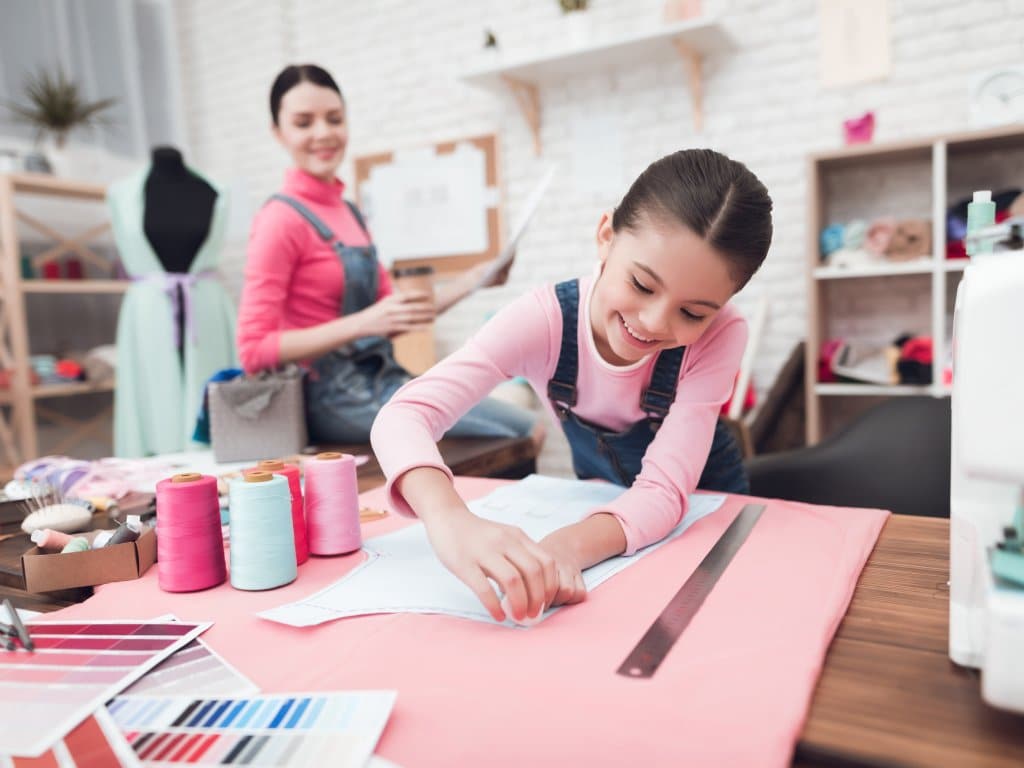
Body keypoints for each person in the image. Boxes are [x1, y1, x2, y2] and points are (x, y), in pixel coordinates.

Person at [370, 149, 773, 623]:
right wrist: (450, 519)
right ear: (606, 236)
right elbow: (404, 415)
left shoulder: (723, 334)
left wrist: (565, 547)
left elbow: (665, 491)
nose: (652, 323)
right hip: (606, 515)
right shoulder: (544, 321)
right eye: (642, 285)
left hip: (702, 512)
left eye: (693, 313)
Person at [237, 64, 538, 445]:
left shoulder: (349, 213)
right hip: (331, 400)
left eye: (334, 119)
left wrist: (477, 278)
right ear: (278, 133)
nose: (323, 133)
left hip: (380, 379)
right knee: (521, 431)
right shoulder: (278, 220)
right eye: (303, 123)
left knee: (524, 425)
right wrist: (363, 323)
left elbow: (395, 314)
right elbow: (253, 349)